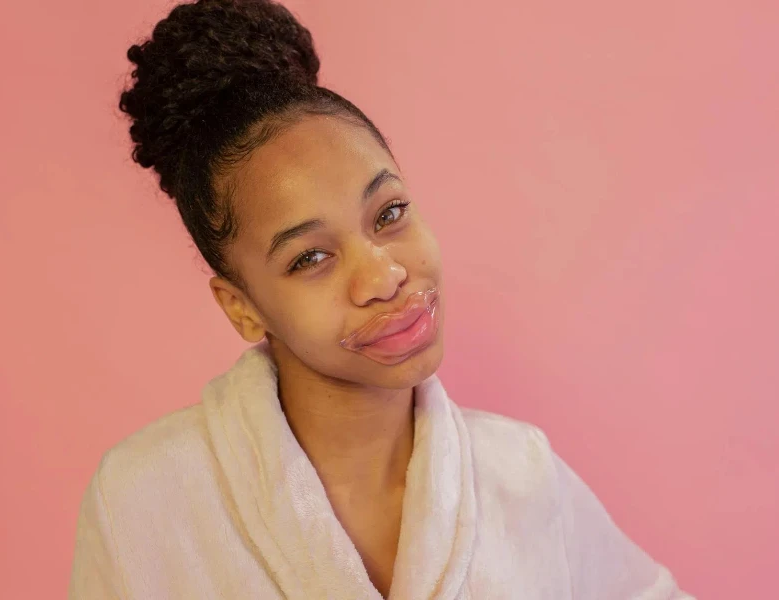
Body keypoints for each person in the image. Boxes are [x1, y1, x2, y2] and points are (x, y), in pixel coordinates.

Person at [68, 1, 693, 598]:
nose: (384, 275)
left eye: (389, 212)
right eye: (309, 257)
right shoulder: (143, 500)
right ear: (241, 307)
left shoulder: (520, 475)